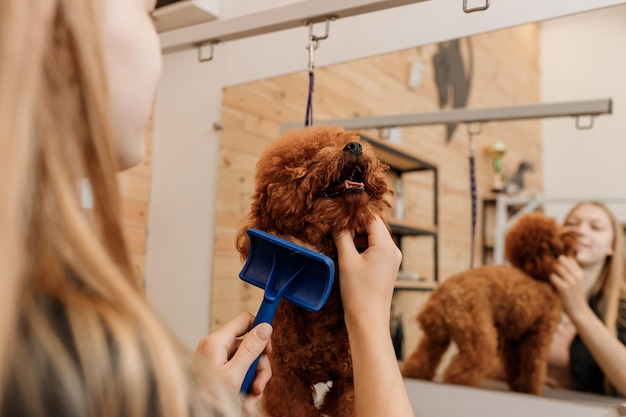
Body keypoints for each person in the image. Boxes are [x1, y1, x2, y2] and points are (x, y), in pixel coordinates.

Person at [0, 1, 414, 416]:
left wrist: (199, 399)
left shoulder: (42, 309)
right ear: (54, 20)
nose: (158, 45)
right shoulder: (63, 340)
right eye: (149, 13)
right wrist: (371, 320)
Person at [547, 201, 626, 396]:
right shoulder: (533, 296)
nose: (580, 231)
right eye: (572, 224)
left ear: (612, 247)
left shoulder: (622, 311)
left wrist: (578, 310)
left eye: (596, 227)